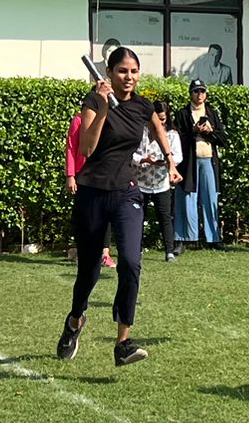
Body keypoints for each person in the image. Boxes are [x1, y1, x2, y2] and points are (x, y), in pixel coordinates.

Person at [56, 46, 177, 366]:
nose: (129, 77)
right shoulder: (94, 101)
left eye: (134, 71)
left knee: (131, 263)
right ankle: (75, 319)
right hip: (92, 193)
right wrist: (104, 109)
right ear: (109, 73)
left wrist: (170, 159)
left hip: (126, 192)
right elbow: (86, 147)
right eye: (123, 71)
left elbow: (157, 127)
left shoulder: (142, 105)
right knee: (89, 271)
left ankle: (123, 343)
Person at [173, 79, 225, 250]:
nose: (199, 95)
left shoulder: (212, 113)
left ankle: (213, 239)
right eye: (196, 91)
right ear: (190, 94)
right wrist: (193, 131)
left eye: (202, 91)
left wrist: (210, 131)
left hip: (208, 160)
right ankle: (183, 238)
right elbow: (176, 138)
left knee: (211, 199)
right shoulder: (182, 114)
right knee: (187, 198)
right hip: (189, 162)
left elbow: (222, 138)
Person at [134, 98, 183, 262]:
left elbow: (178, 156)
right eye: (157, 119)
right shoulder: (140, 132)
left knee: (165, 216)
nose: (160, 123)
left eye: (163, 119)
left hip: (161, 182)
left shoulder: (172, 135)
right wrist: (143, 160)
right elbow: (132, 153)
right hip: (141, 181)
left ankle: (169, 251)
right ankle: (137, 249)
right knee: (138, 217)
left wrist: (168, 162)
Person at [65, 112, 115, 269]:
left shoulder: (109, 118)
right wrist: (70, 175)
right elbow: (71, 147)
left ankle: (104, 254)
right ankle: (83, 252)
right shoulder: (78, 120)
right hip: (83, 174)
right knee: (85, 215)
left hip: (104, 173)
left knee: (105, 213)